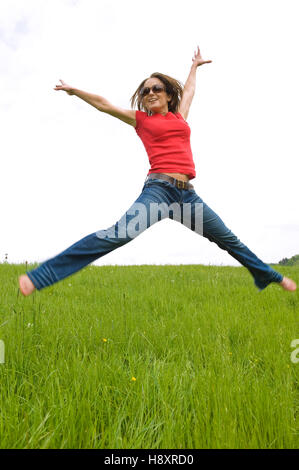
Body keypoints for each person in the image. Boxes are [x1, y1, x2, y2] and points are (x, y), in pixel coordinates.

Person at [19, 46, 296, 296]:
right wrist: (75, 91)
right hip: (158, 192)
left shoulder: (179, 117)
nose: (150, 93)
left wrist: (194, 67)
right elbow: (105, 105)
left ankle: (266, 274)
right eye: (145, 91)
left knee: (227, 238)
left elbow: (189, 92)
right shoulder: (141, 120)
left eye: (156, 89)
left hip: (187, 199)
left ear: (167, 94)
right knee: (118, 235)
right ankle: (40, 277)